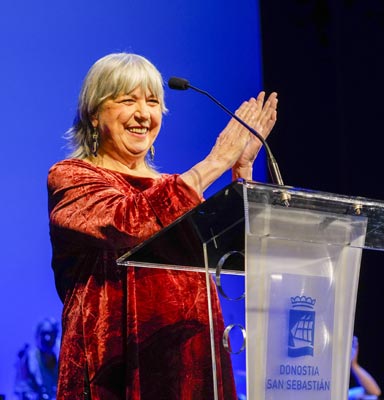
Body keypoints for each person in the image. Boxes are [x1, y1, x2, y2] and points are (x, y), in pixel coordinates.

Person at [47, 52, 278, 399]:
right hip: (114, 369)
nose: (144, 114)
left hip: (191, 361)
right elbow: (127, 222)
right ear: (95, 115)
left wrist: (242, 169)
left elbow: (236, 249)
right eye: (128, 101)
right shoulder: (72, 177)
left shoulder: (173, 188)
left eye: (153, 102)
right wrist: (214, 161)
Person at [14, 317, 60, 400]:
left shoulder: (62, 359)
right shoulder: (28, 359)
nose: (47, 338)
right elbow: (22, 388)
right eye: (44, 333)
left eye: (51, 334)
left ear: (56, 335)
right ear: (37, 335)